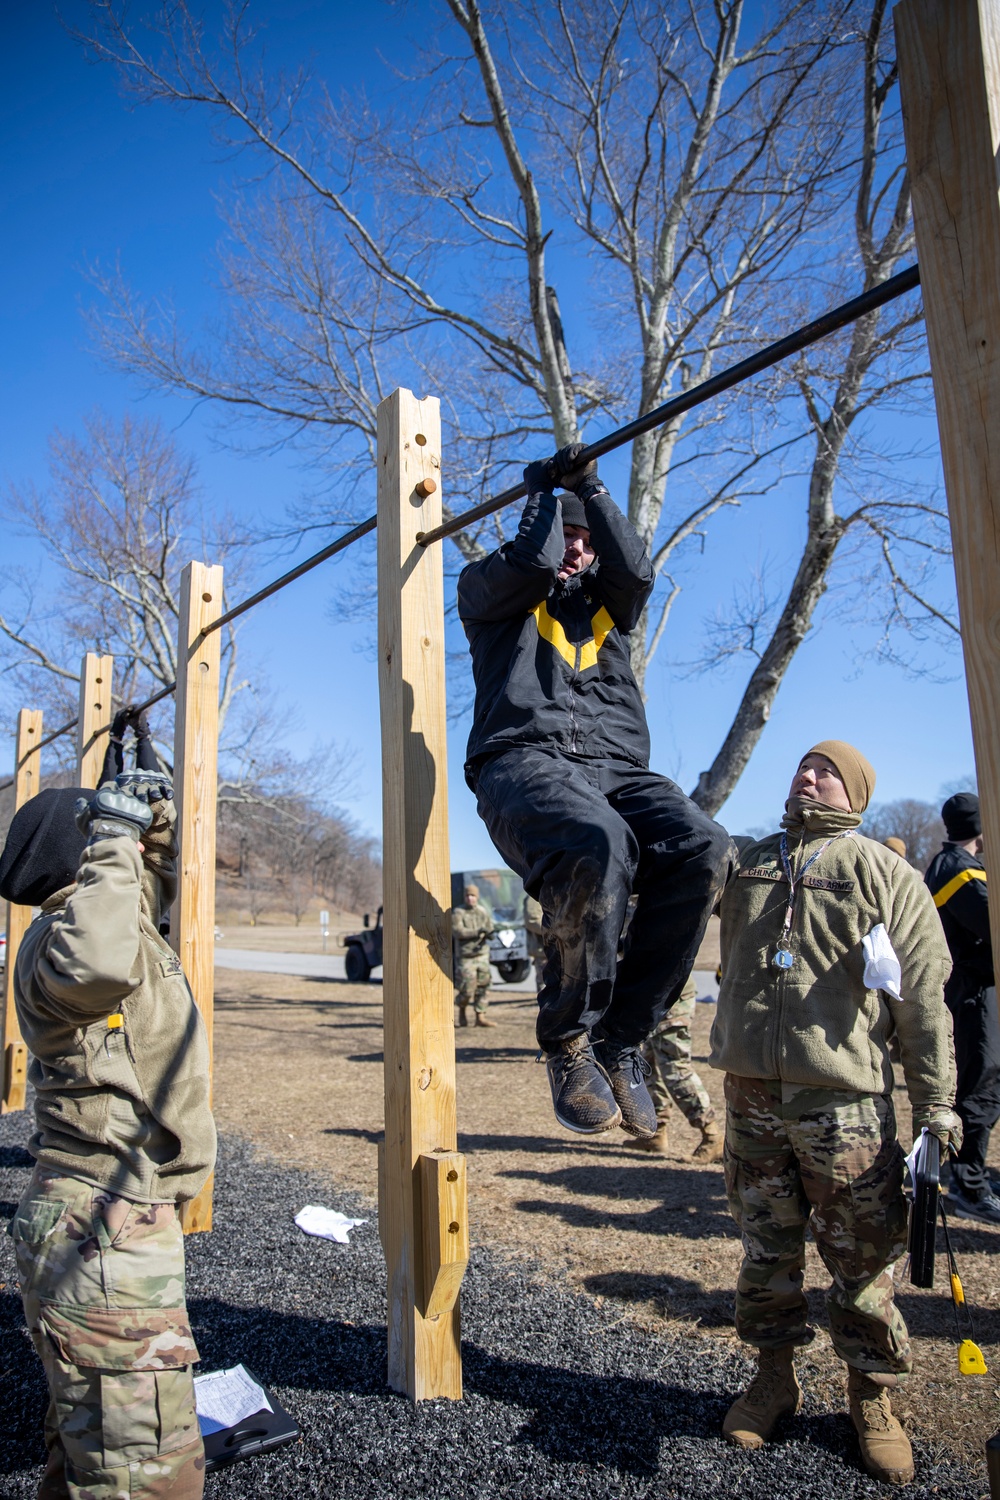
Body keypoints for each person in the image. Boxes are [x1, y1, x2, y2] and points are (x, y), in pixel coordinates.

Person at [457, 443, 732, 1137]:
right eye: (567, 535)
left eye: (585, 538)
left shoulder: (609, 605)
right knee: (597, 840)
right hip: (523, 761)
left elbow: (635, 569)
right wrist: (545, 498)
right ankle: (569, 1040)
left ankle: (621, 1037)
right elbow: (531, 563)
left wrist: (594, 491)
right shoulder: (488, 591)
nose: (575, 550)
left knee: (704, 846)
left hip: (616, 770)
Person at [710, 740, 958, 1486]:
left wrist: (937, 1104)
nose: (807, 774)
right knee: (766, 1250)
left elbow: (922, 999)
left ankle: (872, 1398)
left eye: (826, 769)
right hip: (752, 1097)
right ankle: (772, 1377)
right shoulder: (748, 862)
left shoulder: (885, 874)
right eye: (803, 764)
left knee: (862, 1261)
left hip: (845, 1104)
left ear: (853, 791)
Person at [0, 770, 216, 1500]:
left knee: (95, 1460)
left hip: (108, 1222)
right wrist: (116, 838)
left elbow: (141, 903)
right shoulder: (64, 943)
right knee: (143, 1478)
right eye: (97, 831)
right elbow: (100, 958)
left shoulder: (104, 927)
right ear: (84, 852)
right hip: (101, 1227)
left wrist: (148, 834)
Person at [924, 792, 1000, 1222]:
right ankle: (968, 1186)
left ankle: (972, 1174)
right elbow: (990, 926)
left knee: (986, 1082)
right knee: (979, 1085)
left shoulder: (956, 864)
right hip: (971, 993)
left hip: (975, 990)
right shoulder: (960, 870)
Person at [629, 974, 723, 1161]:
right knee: (648, 1065)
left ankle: (712, 1136)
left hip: (670, 996)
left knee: (675, 1069)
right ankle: (655, 1133)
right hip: (652, 997)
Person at [452, 882, 496, 1028]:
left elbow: (489, 927)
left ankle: (480, 1016)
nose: (470, 898)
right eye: (468, 895)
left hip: (481, 955)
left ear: (477, 897)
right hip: (466, 956)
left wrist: (491, 933)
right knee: (466, 988)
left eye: (473, 895)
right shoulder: (458, 912)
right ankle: (462, 1012)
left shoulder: (482, 911)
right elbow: (457, 932)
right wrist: (477, 931)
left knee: (483, 986)